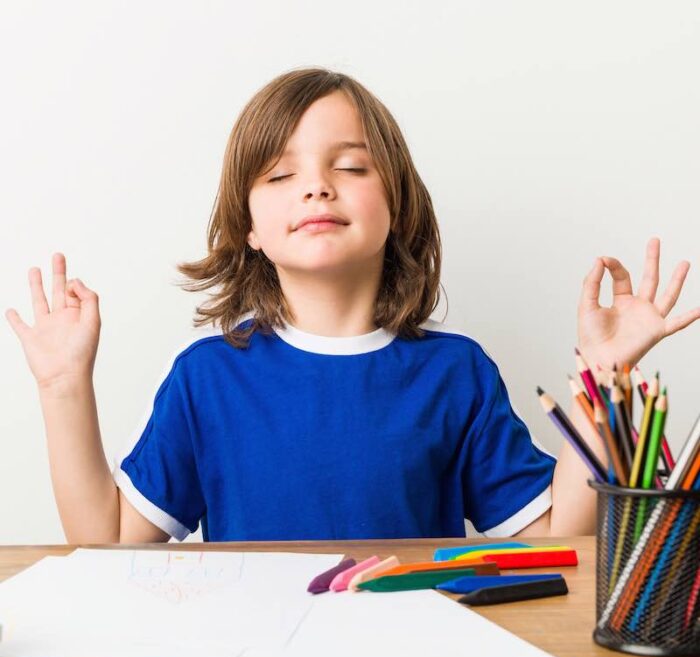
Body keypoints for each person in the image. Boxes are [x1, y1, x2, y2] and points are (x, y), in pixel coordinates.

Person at [6, 68, 699, 544]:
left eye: (351, 166)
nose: (315, 188)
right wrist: (63, 387)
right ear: (248, 227)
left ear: (395, 206)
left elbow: (559, 541)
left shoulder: (456, 375)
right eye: (280, 174)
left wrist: (603, 379)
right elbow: (108, 543)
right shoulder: (207, 378)